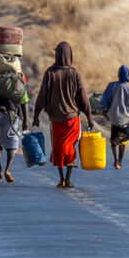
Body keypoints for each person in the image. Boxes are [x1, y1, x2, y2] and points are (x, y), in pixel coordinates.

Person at [33, 41, 93, 189]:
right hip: (72, 118)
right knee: (70, 146)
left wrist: (36, 114)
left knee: (59, 146)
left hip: (55, 118)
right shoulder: (74, 73)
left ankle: (61, 179)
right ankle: (68, 178)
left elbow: (42, 95)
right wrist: (89, 116)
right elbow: (83, 97)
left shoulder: (50, 73)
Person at [0, 70, 29, 184]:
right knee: (12, 145)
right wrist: (26, 121)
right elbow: (24, 101)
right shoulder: (18, 79)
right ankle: (7, 170)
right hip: (11, 116)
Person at [100, 65, 129, 169]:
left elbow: (105, 99)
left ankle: (116, 160)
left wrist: (105, 110)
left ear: (119, 75)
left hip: (114, 118)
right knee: (124, 139)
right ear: (128, 75)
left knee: (114, 139)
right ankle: (120, 161)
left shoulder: (112, 86)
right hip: (126, 120)